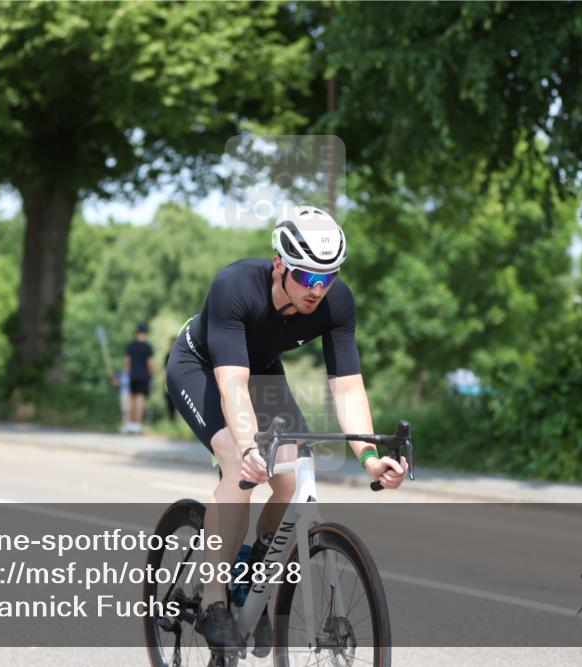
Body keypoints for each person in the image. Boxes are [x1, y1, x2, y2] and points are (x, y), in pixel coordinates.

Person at [165, 205, 407, 653]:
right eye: (307, 278)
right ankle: (215, 600)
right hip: (201, 367)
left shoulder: (336, 302)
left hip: (262, 372)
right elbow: (232, 385)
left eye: (328, 277)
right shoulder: (234, 287)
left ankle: (252, 565)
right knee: (241, 466)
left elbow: (348, 388)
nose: (318, 289)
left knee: (291, 478)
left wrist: (370, 459)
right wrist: (246, 445)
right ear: (280, 264)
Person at [122, 323, 154, 434]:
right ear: (146, 333)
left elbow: (127, 361)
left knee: (131, 399)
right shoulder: (147, 347)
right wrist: (152, 374)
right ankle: (137, 424)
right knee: (140, 399)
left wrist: (128, 373)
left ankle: (129, 424)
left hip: (133, 376)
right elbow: (150, 363)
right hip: (144, 376)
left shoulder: (131, 345)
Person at [164, 335, 177, 421]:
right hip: (170, 380)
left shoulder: (180, 354)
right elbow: (165, 370)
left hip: (177, 381)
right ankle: (171, 420)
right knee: (169, 403)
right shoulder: (168, 355)